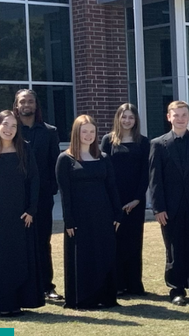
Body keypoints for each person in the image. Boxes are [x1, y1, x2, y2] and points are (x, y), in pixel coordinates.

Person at [149, 101, 189, 306]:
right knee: (174, 251)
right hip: (170, 209)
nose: (180, 118)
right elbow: (155, 180)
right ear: (168, 117)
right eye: (175, 115)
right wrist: (158, 208)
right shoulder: (158, 144)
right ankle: (176, 290)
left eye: (183, 115)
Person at [0, 111, 43, 317]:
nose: (9, 129)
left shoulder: (25, 148)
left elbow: (34, 180)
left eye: (14, 126)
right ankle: (0, 304)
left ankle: (19, 302)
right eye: (6, 125)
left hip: (21, 216)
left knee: (19, 259)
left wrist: (31, 210)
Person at [57, 115, 123, 309]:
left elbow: (112, 187)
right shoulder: (65, 159)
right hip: (80, 218)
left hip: (103, 215)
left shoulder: (103, 157)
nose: (88, 135)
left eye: (92, 132)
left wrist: (117, 213)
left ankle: (106, 297)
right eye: (84, 131)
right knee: (83, 257)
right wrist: (68, 220)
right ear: (76, 133)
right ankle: (84, 299)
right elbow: (65, 194)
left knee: (104, 255)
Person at [13, 89, 62, 301]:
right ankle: (21, 287)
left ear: (36, 105)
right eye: (23, 101)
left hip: (42, 197)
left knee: (43, 241)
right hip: (15, 198)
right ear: (16, 106)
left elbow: (54, 163)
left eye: (30, 101)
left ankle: (46, 287)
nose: (27, 105)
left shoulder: (49, 132)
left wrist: (51, 188)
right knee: (19, 243)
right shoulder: (10, 130)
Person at [101, 104, 150, 296]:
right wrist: (112, 200)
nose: (127, 121)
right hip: (114, 200)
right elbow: (103, 169)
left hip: (135, 202)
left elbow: (146, 173)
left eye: (131, 117)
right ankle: (118, 284)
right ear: (118, 118)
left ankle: (134, 284)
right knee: (116, 242)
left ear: (136, 120)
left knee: (134, 242)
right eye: (124, 117)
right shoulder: (108, 141)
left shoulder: (144, 142)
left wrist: (137, 199)